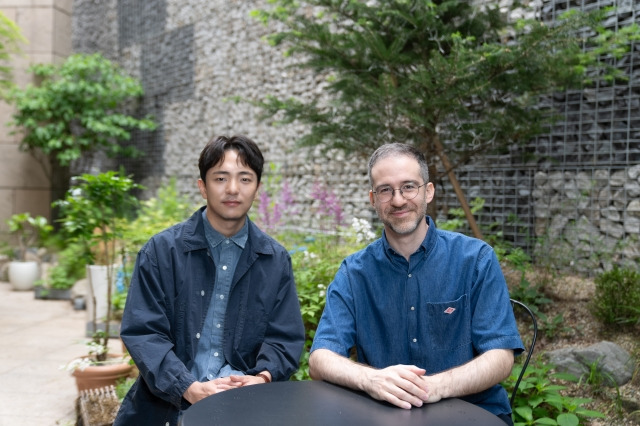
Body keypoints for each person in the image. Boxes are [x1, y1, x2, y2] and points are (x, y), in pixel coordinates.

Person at [308, 143, 524, 425]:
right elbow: (320, 358)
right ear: (373, 199)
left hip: (473, 414)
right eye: (386, 190)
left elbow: (500, 357)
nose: (398, 200)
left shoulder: (476, 259)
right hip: (385, 416)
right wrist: (372, 379)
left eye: (409, 186)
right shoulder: (354, 272)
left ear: (428, 191)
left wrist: (432, 388)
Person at [114, 135, 305, 426]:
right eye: (220, 178)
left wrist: (262, 377)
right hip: (167, 406)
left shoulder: (274, 259)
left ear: (257, 188)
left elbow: (284, 337)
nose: (232, 189)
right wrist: (188, 388)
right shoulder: (161, 252)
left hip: (244, 407)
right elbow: (143, 333)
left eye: (244, 179)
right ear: (202, 187)